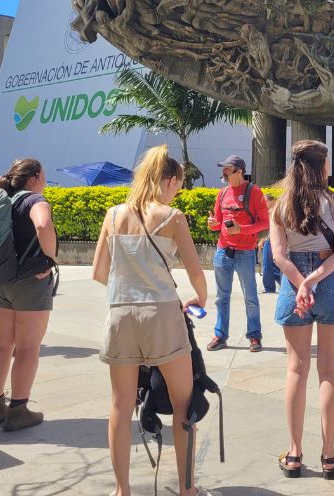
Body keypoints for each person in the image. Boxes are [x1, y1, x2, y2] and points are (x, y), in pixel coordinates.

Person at [92, 145, 213, 496]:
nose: (177, 192)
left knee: (120, 404)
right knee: (184, 404)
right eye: (179, 185)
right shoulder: (172, 217)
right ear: (170, 180)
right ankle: (187, 489)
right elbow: (195, 271)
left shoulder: (113, 215)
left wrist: (130, 283)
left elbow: (99, 272)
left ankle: (121, 489)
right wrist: (200, 298)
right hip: (161, 313)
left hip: (121, 313)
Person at [269, 140, 334, 480]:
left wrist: (301, 284)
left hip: (293, 286)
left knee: (296, 370)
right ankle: (329, 456)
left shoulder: (281, 205)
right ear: (323, 166)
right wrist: (314, 280)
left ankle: (294, 453)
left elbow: (279, 256)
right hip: (330, 281)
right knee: (329, 371)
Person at [0, 158, 58, 431]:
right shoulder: (34, 200)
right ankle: (18, 410)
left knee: (1, 344)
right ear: (34, 177)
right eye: (44, 175)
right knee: (28, 347)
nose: (45, 180)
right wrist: (51, 259)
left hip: (0, 279)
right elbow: (43, 225)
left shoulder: (2, 200)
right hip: (29, 280)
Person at [206, 154, 269, 352]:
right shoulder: (223, 193)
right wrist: (212, 224)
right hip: (223, 251)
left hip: (245, 252)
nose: (224, 172)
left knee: (250, 297)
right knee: (221, 297)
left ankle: (254, 336)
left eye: (228, 169)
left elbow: (265, 222)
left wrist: (243, 229)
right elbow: (217, 223)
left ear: (239, 171)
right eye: (223, 169)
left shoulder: (254, 192)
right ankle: (220, 336)